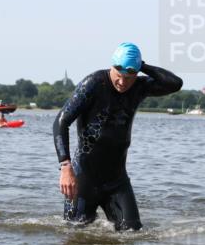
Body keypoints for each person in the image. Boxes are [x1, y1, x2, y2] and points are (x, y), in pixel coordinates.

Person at [53, 42, 182, 231]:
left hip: (117, 180)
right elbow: (61, 121)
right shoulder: (94, 83)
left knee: (133, 233)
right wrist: (65, 167)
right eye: (119, 76)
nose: (122, 83)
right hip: (84, 179)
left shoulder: (139, 87)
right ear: (112, 67)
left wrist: (142, 65)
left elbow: (175, 83)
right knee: (74, 236)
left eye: (129, 77)